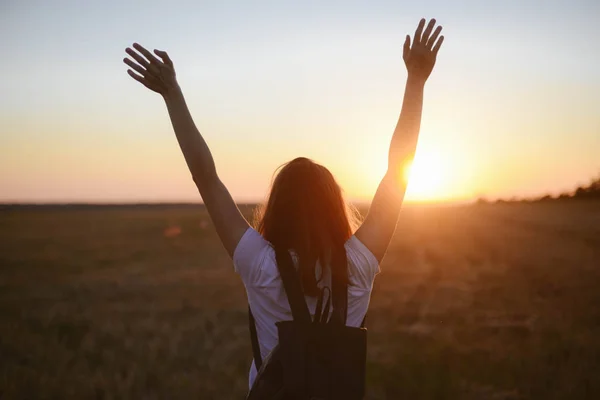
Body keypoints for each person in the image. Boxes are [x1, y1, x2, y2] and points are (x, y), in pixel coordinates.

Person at [123, 17, 444, 390]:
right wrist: (416, 81)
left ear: (277, 207)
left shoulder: (258, 263)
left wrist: (172, 94)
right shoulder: (359, 264)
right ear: (333, 205)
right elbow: (396, 175)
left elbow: (206, 178)